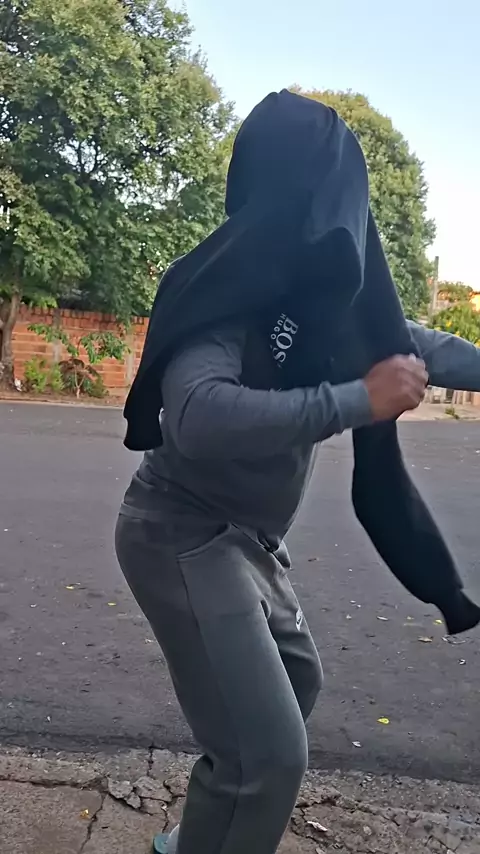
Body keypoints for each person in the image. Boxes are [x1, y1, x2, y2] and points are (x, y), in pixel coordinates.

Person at [115, 91, 480, 854]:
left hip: (250, 540)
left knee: (295, 687)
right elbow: (197, 415)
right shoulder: (220, 288)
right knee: (270, 757)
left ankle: (195, 841)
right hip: (181, 533)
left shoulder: (324, 300)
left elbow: (418, 346)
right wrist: (357, 400)